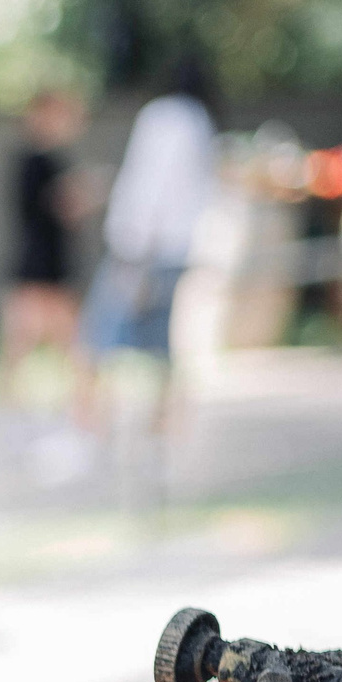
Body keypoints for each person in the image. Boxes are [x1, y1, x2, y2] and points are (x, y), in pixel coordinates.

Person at [77, 55, 221, 432]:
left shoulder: (162, 116)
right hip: (175, 247)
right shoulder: (200, 121)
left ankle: (92, 419)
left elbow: (149, 186)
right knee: (160, 340)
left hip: (140, 246)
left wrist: (135, 245)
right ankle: (164, 420)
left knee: (102, 333)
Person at [0, 88, 89, 402]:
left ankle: (81, 398)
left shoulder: (44, 161)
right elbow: (58, 207)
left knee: (33, 339)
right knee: (65, 339)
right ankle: (85, 400)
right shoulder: (36, 162)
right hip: (41, 264)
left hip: (43, 261)